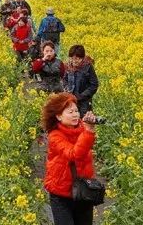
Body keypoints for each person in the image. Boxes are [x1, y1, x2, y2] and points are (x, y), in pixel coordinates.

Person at [41, 92, 97, 225]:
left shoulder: (83, 129)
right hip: (61, 193)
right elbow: (73, 154)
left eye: (76, 111)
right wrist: (88, 131)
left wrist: (89, 128)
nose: (75, 114)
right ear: (59, 116)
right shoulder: (55, 136)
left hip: (83, 191)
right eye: (70, 112)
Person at [63, 45, 99, 116]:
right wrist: (67, 89)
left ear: (82, 58)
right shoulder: (67, 66)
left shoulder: (88, 67)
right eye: (72, 58)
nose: (74, 61)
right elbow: (64, 80)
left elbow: (94, 85)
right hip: (70, 100)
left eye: (76, 59)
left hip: (84, 102)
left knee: (84, 121)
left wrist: (81, 96)